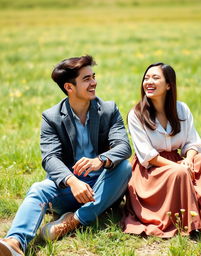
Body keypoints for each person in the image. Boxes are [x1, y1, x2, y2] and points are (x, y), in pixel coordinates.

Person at [0, 55, 132, 256]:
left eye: (93, 76)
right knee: (39, 188)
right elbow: (50, 158)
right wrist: (72, 181)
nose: (94, 82)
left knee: (124, 167)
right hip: (68, 188)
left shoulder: (108, 110)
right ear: (69, 87)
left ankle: (75, 221)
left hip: (103, 188)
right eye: (86, 79)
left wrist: (100, 160)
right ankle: (15, 241)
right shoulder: (51, 117)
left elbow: (123, 146)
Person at [122, 62, 201, 239]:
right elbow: (148, 156)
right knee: (179, 172)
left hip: (178, 159)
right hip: (151, 171)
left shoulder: (181, 109)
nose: (148, 82)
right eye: (146, 78)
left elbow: (192, 143)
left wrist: (188, 160)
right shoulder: (136, 114)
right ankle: (192, 222)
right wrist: (180, 167)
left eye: (155, 78)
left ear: (168, 85)